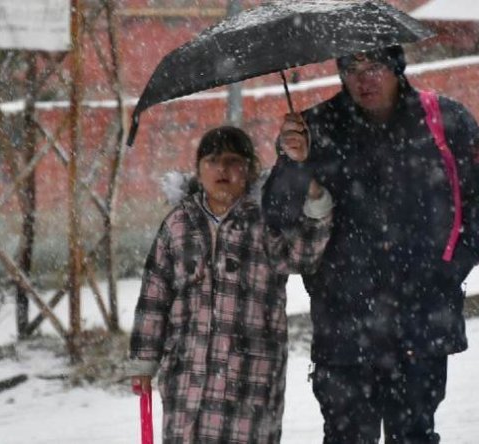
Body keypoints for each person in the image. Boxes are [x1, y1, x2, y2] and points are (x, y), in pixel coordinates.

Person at [263, 45, 479, 443]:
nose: (364, 78)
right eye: (352, 67)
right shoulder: (315, 129)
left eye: (375, 65)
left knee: (413, 433)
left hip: (421, 316)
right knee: (346, 436)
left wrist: (451, 264)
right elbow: (277, 213)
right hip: (343, 321)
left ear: (396, 67)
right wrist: (292, 161)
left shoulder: (445, 121)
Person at [127, 126, 333, 444]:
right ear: (197, 169)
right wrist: (144, 359)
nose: (221, 169)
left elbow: (304, 256)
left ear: (249, 169)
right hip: (188, 378)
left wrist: (315, 193)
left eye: (232, 160)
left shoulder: (266, 222)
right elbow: (154, 295)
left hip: (251, 379)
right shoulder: (178, 224)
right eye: (211, 160)